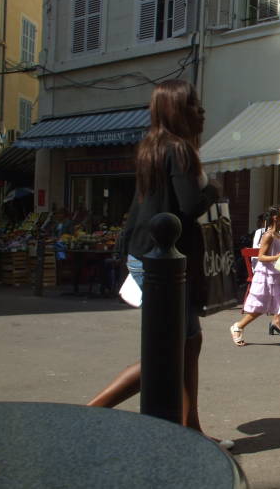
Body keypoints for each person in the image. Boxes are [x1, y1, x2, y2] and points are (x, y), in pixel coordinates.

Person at [86, 80, 232, 448]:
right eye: (194, 104)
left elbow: (148, 205)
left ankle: (191, 428)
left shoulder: (151, 148)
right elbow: (187, 208)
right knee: (171, 349)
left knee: (188, 343)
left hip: (146, 255)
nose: (201, 111)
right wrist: (213, 189)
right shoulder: (180, 150)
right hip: (165, 263)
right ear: (177, 110)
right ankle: (93, 410)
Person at [229, 206, 280, 348]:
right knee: (260, 307)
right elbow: (260, 256)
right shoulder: (268, 235)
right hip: (266, 275)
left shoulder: (279, 234)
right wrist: (277, 257)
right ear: (275, 217)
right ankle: (238, 326)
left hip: (279, 274)